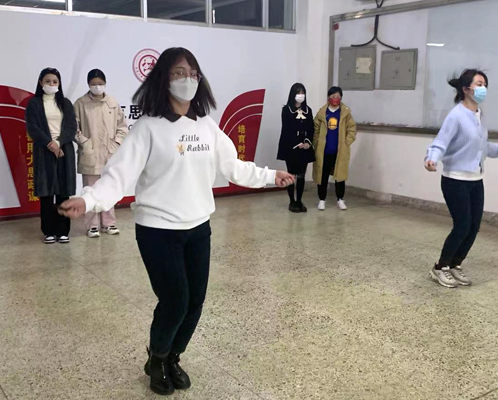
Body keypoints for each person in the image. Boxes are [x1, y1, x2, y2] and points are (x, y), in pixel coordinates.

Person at [58, 47, 295, 396]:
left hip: (198, 228)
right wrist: (88, 199)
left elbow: (233, 167)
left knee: (195, 301)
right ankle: (156, 359)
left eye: (193, 73)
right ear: (163, 80)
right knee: (175, 301)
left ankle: (173, 357)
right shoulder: (148, 128)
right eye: (179, 73)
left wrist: (270, 175)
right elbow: (117, 176)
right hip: (158, 230)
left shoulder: (206, 126)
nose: (188, 80)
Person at [425, 69, 498, 288]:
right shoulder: (456, 115)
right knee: (462, 225)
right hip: (455, 179)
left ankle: (455, 264)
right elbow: (440, 142)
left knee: (474, 226)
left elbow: (481, 146)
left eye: (484, 84)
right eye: (479, 84)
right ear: (465, 89)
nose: (483, 88)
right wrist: (431, 159)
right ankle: (440, 267)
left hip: (475, 179)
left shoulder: (479, 115)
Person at [74, 69, 128, 238]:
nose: (97, 87)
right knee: (90, 191)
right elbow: (73, 128)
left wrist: (116, 143)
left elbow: (122, 126)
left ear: (105, 83)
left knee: (109, 190)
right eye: (94, 84)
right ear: (88, 84)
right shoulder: (80, 103)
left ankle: (109, 223)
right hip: (90, 153)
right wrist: (85, 143)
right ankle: (92, 226)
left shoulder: (112, 102)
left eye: (100, 83)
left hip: (109, 154)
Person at [25, 68, 77, 244]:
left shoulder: (65, 103)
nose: (51, 84)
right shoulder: (34, 103)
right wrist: (50, 144)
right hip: (44, 151)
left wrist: (59, 142)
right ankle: (48, 231)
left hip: (64, 150)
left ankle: (63, 230)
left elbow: (71, 127)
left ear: (59, 84)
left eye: (55, 82)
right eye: (47, 81)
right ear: (41, 82)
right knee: (46, 192)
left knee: (63, 192)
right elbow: (32, 127)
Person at [313, 86, 356, 211]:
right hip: (324, 151)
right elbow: (315, 129)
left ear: (341, 97)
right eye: (333, 96)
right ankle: (322, 200)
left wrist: (346, 142)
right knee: (322, 176)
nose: (335, 99)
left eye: (338, 96)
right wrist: (317, 142)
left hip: (339, 151)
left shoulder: (345, 113)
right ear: (328, 97)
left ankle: (340, 199)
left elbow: (352, 129)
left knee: (340, 176)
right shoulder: (322, 113)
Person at [276, 83, 316, 213]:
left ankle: (299, 200)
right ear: (293, 94)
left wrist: (307, 142)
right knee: (291, 175)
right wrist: (296, 143)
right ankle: (292, 201)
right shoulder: (286, 110)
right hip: (291, 147)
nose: (301, 96)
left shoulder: (308, 110)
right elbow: (287, 129)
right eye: (298, 93)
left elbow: (311, 128)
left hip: (304, 147)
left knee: (301, 175)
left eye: (303, 93)